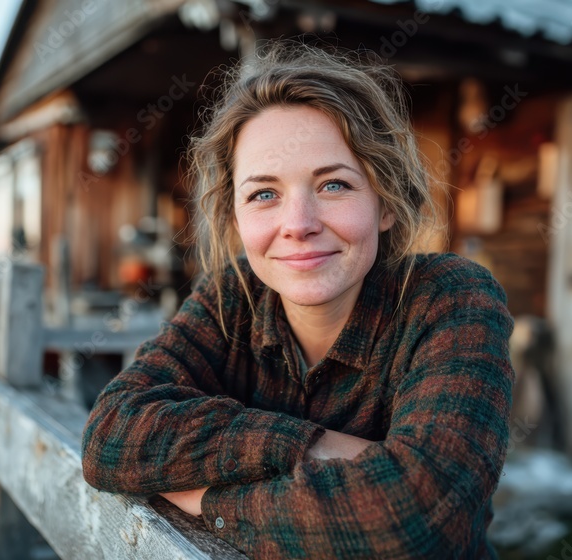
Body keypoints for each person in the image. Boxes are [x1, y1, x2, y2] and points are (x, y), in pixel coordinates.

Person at [81, 40, 514, 559]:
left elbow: (415, 523)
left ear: (385, 204)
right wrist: (313, 445)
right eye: (264, 194)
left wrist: (214, 500)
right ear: (235, 216)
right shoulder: (228, 299)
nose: (299, 225)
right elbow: (111, 436)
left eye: (333, 184)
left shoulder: (450, 299)